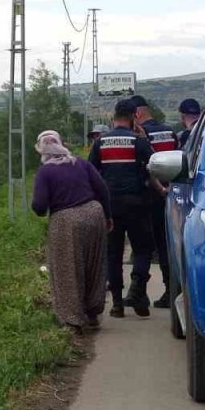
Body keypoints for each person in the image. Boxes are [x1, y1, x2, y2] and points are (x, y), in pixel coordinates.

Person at [31, 130, 112, 334]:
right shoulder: (80, 163)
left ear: (41, 149)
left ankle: (73, 321)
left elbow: (39, 205)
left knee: (67, 269)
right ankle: (93, 313)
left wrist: (42, 210)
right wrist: (108, 216)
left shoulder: (45, 171)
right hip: (95, 214)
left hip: (66, 220)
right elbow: (102, 188)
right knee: (94, 265)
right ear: (61, 143)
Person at [89, 100, 156, 318]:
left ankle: (117, 304)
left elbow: (91, 174)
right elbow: (154, 165)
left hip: (109, 206)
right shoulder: (138, 140)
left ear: (113, 117)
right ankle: (138, 289)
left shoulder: (100, 143)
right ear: (134, 116)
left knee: (113, 254)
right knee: (143, 249)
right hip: (137, 204)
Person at [130, 95, 177, 309]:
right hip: (172, 193)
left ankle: (139, 291)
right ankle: (171, 290)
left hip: (150, 194)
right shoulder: (169, 131)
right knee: (167, 244)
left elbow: (142, 166)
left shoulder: (141, 135)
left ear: (137, 114)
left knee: (145, 245)